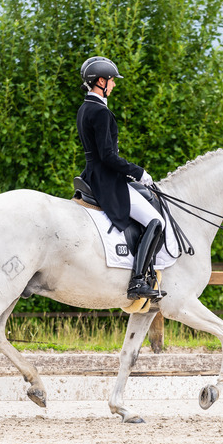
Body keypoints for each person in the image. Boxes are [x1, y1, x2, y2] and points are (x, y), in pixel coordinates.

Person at [76, 56, 166, 300]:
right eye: (112, 80)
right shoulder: (101, 112)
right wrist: (138, 172)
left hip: (92, 175)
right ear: (101, 81)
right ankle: (138, 281)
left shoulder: (85, 108)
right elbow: (107, 156)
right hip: (107, 180)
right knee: (156, 221)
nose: (114, 85)